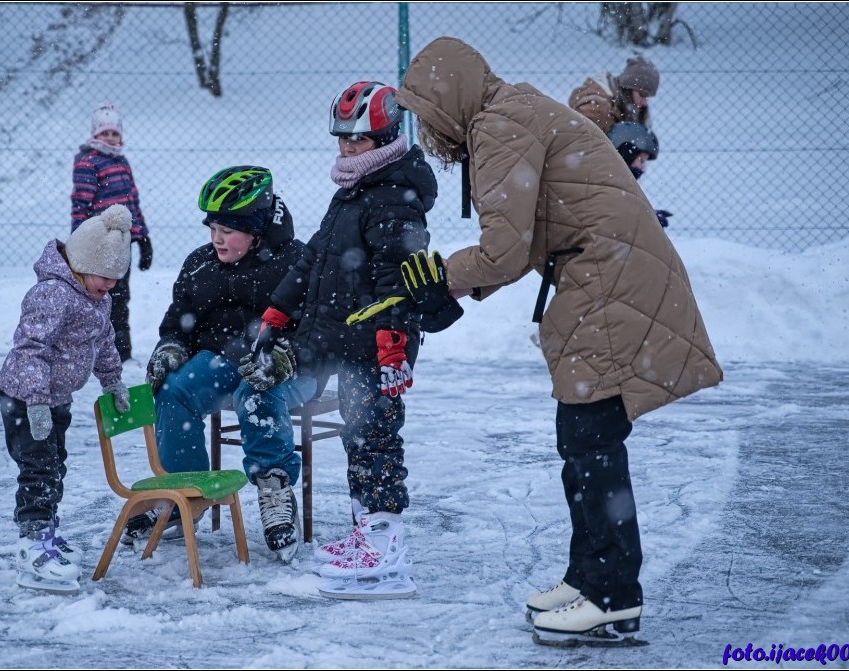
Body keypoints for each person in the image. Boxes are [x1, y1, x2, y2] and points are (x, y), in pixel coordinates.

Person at [396, 37, 722, 641]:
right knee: (582, 437)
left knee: (591, 437)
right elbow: (520, 242)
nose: (426, 131)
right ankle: (588, 575)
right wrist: (449, 286)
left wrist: (440, 282)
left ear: (449, 101)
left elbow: (503, 250)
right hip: (603, 274)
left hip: (605, 280)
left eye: (425, 112)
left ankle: (612, 593)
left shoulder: (497, 126)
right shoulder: (512, 109)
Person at [252, 80, 447, 599]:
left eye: (356, 141)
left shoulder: (394, 197)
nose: (346, 149)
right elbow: (312, 259)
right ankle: (369, 534)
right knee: (358, 437)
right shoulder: (355, 192)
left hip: (378, 347)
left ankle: (386, 553)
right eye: (341, 139)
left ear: (383, 137)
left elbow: (398, 276)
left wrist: (391, 347)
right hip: (353, 341)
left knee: (376, 438)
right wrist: (277, 310)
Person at [126, 166, 309, 563]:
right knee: (173, 390)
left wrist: (288, 355)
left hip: (293, 366)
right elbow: (177, 323)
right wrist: (170, 346)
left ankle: (275, 487)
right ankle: (184, 494)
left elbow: (324, 329)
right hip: (225, 360)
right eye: (213, 227)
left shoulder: (298, 263)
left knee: (256, 390)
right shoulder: (200, 264)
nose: (217, 237)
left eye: (229, 228)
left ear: (256, 227)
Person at [0, 204, 134, 592]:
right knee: (38, 469)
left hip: (56, 397)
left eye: (115, 278)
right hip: (26, 396)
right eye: (104, 276)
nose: (110, 285)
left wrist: (112, 381)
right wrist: (36, 401)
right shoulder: (52, 295)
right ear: (80, 264)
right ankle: (32, 546)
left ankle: (47, 533)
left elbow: (104, 342)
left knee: (56, 465)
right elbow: (30, 348)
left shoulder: (97, 298)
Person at [71, 102, 154, 364]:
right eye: (104, 133)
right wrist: (78, 242)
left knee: (119, 295)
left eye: (114, 133)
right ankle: (91, 350)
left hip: (122, 242)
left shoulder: (121, 161)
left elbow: (132, 204)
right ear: (94, 134)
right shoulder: (88, 162)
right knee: (96, 295)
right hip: (98, 242)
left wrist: (142, 237)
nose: (110, 138)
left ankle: (121, 352)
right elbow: (81, 204)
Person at [567, 54, 659, 134]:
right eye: (642, 95)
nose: (645, 103)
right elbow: (583, 147)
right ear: (628, 89)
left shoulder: (629, 106)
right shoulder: (596, 109)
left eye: (647, 97)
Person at [607, 121, 672, 228]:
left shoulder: (616, 182)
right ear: (626, 154)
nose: (642, 168)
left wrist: (648, 214)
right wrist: (646, 219)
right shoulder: (605, 183)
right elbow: (610, 217)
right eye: (641, 160)